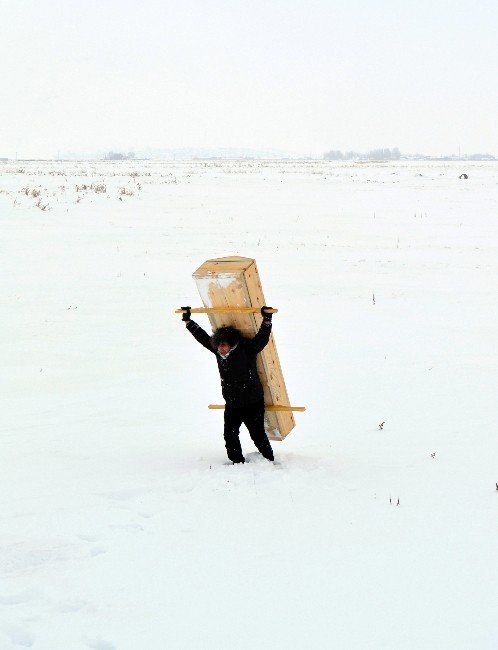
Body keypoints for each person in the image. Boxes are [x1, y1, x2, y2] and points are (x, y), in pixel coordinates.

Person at [181, 306, 275, 464]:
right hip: (232, 403)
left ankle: (269, 459)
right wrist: (189, 322)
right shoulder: (219, 351)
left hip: (252, 402)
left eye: (223, 346)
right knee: (230, 435)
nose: (221, 349)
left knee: (257, 434)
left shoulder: (246, 350)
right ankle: (237, 462)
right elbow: (203, 338)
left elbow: (261, 340)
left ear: (231, 344)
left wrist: (267, 320)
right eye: (218, 346)